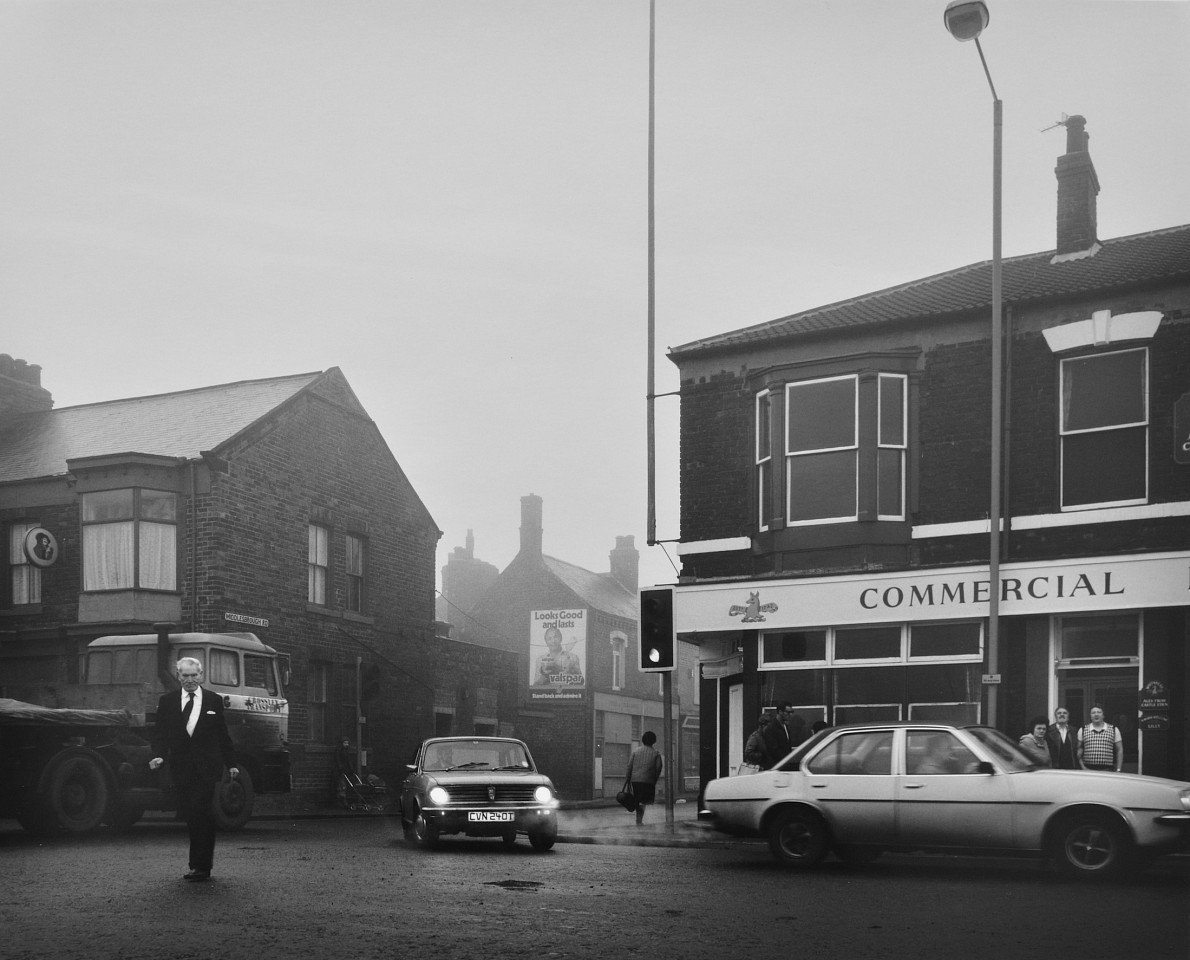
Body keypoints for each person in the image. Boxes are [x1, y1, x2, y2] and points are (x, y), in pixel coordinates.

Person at [149, 657, 239, 882]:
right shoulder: (168, 701)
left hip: (207, 768)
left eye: (193, 675)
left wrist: (232, 764)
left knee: (202, 809)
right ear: (178, 677)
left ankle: (201, 866)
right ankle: (197, 865)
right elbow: (160, 733)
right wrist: (158, 755)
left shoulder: (213, 701)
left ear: (201, 676)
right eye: (185, 676)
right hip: (181, 768)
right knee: (191, 813)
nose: (189, 680)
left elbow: (223, 736)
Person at [625, 730, 663, 825]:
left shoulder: (635, 751)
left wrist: (628, 778)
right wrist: (655, 779)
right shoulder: (656, 753)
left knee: (638, 799)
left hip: (635, 780)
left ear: (643, 740)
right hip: (648, 781)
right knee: (644, 801)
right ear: (654, 741)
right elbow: (658, 768)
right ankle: (639, 820)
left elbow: (629, 766)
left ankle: (638, 819)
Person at [1078, 704, 1123, 772]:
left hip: (1108, 770)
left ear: (1103, 715)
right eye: (1093, 713)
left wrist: (1118, 769)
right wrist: (1083, 767)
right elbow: (1078, 750)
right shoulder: (1083, 730)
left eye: (1099, 712)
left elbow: (1119, 750)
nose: (1096, 714)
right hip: (1088, 769)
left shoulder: (1114, 729)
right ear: (1090, 715)